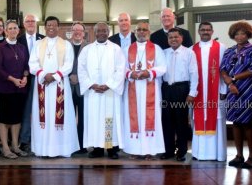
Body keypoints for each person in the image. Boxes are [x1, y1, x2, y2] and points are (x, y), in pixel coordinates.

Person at [29, 16, 79, 157]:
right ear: (45, 27)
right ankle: (42, 149)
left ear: (58, 27)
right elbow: (32, 64)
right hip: (42, 85)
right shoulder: (38, 44)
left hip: (60, 85)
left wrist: (55, 76)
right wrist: (44, 75)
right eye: (48, 25)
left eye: (54, 25)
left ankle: (61, 149)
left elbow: (69, 65)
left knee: (61, 117)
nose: (51, 27)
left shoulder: (66, 45)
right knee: (43, 118)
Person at [78, 22, 126, 159]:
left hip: (110, 91)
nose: (102, 33)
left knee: (109, 119)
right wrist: (91, 85)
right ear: (95, 32)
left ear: (108, 32)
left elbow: (120, 69)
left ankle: (111, 149)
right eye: (99, 30)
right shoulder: (87, 49)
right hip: (93, 92)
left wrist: (109, 85)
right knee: (94, 120)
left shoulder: (116, 49)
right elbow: (81, 70)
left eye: (105, 30)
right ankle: (97, 149)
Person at [123, 22, 166, 159]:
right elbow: (121, 68)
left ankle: (150, 150)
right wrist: (130, 74)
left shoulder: (156, 48)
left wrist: (150, 73)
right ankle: (134, 150)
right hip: (132, 89)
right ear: (134, 32)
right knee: (133, 118)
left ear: (149, 32)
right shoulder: (127, 49)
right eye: (139, 30)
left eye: (144, 30)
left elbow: (163, 67)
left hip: (150, 87)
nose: (141, 32)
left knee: (150, 118)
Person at [191, 22, 227, 161]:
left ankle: (217, 154)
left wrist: (223, 90)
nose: (205, 32)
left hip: (216, 91)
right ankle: (199, 153)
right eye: (202, 30)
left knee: (217, 118)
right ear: (198, 32)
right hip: (199, 92)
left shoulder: (221, 48)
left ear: (212, 31)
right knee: (199, 119)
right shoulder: (192, 49)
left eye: (208, 30)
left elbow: (225, 70)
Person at [161, 28, 198, 161]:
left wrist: (192, 93)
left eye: (176, 37)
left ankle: (181, 151)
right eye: (170, 37)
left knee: (181, 121)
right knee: (166, 121)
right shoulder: (163, 53)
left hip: (182, 89)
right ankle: (168, 150)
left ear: (181, 38)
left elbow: (194, 73)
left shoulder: (189, 53)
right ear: (168, 39)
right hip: (166, 89)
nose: (173, 39)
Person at [0, 20, 29, 159]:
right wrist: (13, 80)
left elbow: (27, 65)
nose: (13, 30)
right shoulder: (1, 47)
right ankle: (6, 148)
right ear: (5, 31)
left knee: (17, 119)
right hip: (6, 89)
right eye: (10, 28)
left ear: (18, 31)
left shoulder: (22, 48)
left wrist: (25, 77)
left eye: (15, 28)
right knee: (5, 119)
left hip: (20, 89)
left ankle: (15, 146)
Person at [220, 21, 252, 168]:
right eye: (237, 33)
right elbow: (223, 69)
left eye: (243, 33)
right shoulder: (229, 51)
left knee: (248, 124)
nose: (240, 36)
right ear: (233, 35)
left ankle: (251, 158)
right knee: (236, 123)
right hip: (233, 91)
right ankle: (239, 156)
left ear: (248, 35)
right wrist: (229, 84)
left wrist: (234, 79)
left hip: (248, 91)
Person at [17, 14, 45, 153]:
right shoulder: (18, 40)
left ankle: (40, 138)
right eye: (27, 21)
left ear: (36, 22)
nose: (30, 23)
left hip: (41, 79)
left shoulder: (43, 39)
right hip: (25, 79)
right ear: (24, 24)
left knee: (42, 110)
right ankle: (24, 140)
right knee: (26, 111)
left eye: (32, 21)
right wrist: (24, 75)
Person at [69, 21, 88, 155]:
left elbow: (91, 67)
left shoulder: (89, 47)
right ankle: (70, 145)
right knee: (69, 118)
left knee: (83, 117)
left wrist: (79, 78)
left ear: (83, 33)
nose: (77, 32)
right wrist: (70, 75)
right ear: (71, 32)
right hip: (68, 87)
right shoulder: (65, 46)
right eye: (75, 30)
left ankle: (82, 145)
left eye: (80, 30)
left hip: (83, 88)